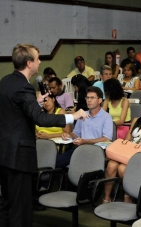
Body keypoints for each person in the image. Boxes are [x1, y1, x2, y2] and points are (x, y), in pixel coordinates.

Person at [0, 43, 87, 227]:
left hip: (4, 153)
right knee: (21, 208)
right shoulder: (25, 87)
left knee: (6, 203)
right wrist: (74, 115)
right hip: (19, 156)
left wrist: (35, 102)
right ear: (29, 63)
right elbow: (41, 119)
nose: (40, 61)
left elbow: (15, 110)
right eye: (37, 58)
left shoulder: (6, 81)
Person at [56, 86, 113, 168]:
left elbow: (107, 138)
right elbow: (76, 133)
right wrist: (69, 135)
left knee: (78, 167)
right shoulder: (82, 114)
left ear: (100, 100)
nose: (89, 100)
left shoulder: (106, 117)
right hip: (79, 148)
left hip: (96, 151)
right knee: (56, 163)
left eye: (92, 98)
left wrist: (85, 141)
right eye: (87, 97)